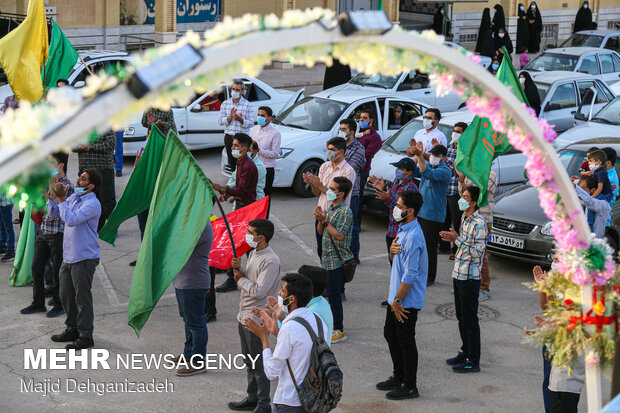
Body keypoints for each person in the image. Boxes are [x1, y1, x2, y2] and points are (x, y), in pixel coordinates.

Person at [244, 273, 328, 413]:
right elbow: (301, 345)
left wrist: (264, 337)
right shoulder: (317, 319)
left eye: (282, 291)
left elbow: (271, 372)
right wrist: (278, 332)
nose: (279, 293)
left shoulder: (289, 329)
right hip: (315, 396)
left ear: (292, 299)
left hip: (291, 401)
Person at [376, 190, 427, 401]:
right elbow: (396, 261)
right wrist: (391, 252)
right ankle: (398, 377)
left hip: (405, 301)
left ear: (410, 210)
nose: (396, 209)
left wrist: (398, 301)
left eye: (399, 205)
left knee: (405, 340)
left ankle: (410, 385)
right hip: (395, 297)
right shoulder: (403, 229)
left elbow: (411, 274)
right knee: (391, 335)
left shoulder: (414, 236)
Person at [228, 219, 280, 413]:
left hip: (257, 317)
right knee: (249, 361)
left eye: (251, 233)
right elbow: (250, 280)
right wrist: (239, 270)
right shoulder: (253, 253)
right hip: (244, 315)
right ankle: (252, 398)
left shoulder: (271, 260)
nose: (247, 236)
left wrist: (239, 280)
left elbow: (260, 291)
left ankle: (264, 403)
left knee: (259, 364)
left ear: (261, 237)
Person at [50, 169, 102, 350]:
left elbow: (71, 220)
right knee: (66, 295)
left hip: (84, 257)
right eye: (80, 177)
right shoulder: (73, 198)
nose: (78, 180)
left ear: (91, 186)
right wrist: (52, 198)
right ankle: (72, 328)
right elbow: (55, 214)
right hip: (70, 256)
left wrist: (61, 199)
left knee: (82, 299)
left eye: (83, 178)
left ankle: (86, 335)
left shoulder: (92, 204)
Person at [440, 185, 488, 373]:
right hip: (458, 273)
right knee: (461, 317)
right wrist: (453, 238)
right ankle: (465, 351)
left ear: (474, 202)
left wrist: (457, 240)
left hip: (470, 277)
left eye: (466, 196)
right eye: (462, 195)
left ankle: (473, 360)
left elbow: (478, 252)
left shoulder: (479, 223)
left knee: (470, 319)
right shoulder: (464, 217)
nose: (462, 198)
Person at [20, 153, 73, 318]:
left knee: (58, 270)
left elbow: (55, 213)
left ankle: (59, 303)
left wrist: (48, 194)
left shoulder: (67, 186)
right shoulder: (47, 183)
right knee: (36, 266)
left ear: (60, 166)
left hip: (58, 233)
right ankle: (38, 302)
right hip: (44, 231)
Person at [212, 133, 259, 293]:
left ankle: (236, 277)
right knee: (240, 244)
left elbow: (243, 190)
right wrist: (227, 193)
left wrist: (223, 189)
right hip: (241, 206)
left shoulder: (248, 166)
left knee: (241, 245)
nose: (232, 148)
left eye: (236, 146)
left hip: (246, 208)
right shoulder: (241, 163)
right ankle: (235, 274)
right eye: (233, 145)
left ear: (245, 149)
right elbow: (237, 187)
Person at [313, 176, 353, 344]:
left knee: (335, 296)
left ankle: (339, 329)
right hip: (327, 258)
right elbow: (321, 232)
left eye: (333, 189)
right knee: (328, 294)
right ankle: (330, 324)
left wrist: (325, 220)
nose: (329, 191)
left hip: (337, 261)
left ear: (341, 194)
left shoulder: (345, 212)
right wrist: (320, 219)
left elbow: (339, 235)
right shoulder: (330, 208)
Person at [407, 142, 451, 286]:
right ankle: (419, 272)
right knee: (419, 245)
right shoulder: (429, 166)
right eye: (431, 154)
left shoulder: (445, 171)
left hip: (433, 215)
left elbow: (426, 172)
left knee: (429, 248)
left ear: (444, 158)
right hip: (422, 212)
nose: (433, 157)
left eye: (436, 155)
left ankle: (429, 277)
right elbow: (414, 171)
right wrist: (416, 155)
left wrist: (420, 156)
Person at [173, 223, 214, 377]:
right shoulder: (192, 222)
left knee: (196, 323)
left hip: (193, 282)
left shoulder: (201, 225)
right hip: (183, 280)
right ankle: (189, 353)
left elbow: (180, 242)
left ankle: (198, 361)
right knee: (188, 319)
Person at [303, 137, 355, 258]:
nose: (329, 152)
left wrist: (319, 186)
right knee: (321, 249)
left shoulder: (348, 171)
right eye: (328, 149)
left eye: (332, 150)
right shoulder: (324, 166)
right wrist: (312, 184)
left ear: (341, 151)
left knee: (336, 251)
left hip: (337, 216)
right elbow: (317, 193)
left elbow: (338, 196)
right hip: (322, 214)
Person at [369, 158, 419, 263]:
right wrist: (382, 190)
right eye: (397, 168)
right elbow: (391, 203)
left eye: (401, 168)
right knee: (393, 262)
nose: (398, 170)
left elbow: (403, 211)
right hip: (391, 230)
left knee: (401, 263)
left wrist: (387, 198)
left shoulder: (411, 189)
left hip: (402, 232)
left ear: (409, 172)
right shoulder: (396, 182)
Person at [459, 170, 497, 302]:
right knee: (464, 250)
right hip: (467, 216)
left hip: (483, 219)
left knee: (481, 254)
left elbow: (478, 192)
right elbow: (463, 194)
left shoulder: (489, 173)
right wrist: (461, 179)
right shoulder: (470, 171)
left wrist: (468, 179)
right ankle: (465, 282)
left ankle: (483, 288)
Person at [76, 129, 116, 231]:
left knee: (107, 200)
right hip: (85, 170)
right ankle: (96, 227)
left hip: (103, 168)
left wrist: (91, 147)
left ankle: (112, 228)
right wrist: (80, 147)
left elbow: (111, 144)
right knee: (88, 201)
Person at [340, 118, 366, 263]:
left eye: (344, 129)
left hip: (352, 192)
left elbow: (350, 168)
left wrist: (338, 155)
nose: (341, 131)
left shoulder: (358, 149)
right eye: (340, 129)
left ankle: (354, 255)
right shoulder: (338, 145)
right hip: (336, 191)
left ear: (351, 132)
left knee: (352, 225)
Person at [219, 80, 254, 172]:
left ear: (242, 91)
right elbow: (220, 121)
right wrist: (230, 117)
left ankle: (242, 183)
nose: (234, 91)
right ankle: (235, 182)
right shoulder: (225, 104)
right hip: (229, 138)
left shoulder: (247, 105)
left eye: (237, 90)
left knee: (243, 163)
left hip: (242, 139)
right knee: (232, 164)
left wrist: (240, 119)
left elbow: (251, 123)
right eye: (233, 89)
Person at [445, 122, 468, 260]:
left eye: (458, 131)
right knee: (445, 220)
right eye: (454, 131)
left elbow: (460, 170)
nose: (455, 134)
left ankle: (456, 248)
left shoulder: (465, 150)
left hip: (458, 191)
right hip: (446, 189)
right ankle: (444, 245)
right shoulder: (450, 145)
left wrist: (445, 164)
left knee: (458, 221)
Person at [251, 106, 281, 208]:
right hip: (254, 167)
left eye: (262, 115)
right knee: (252, 196)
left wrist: (260, 150)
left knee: (265, 198)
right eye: (259, 115)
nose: (260, 117)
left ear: (269, 118)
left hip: (266, 169)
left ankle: (264, 221)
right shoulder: (254, 130)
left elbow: (275, 154)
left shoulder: (275, 133)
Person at [357, 109, 382, 210]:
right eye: (361, 118)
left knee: (357, 198)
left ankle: (356, 224)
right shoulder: (358, 132)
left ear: (371, 120)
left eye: (365, 118)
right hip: (350, 169)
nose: (361, 120)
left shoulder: (375, 137)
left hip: (361, 171)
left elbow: (366, 155)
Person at [602, 147, 619, 227]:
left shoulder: (610, 179)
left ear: (608, 163)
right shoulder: (603, 173)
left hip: (602, 221)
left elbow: (603, 201)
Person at [0, 185, 15, 263]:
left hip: (6, 203)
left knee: (8, 227)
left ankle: (11, 251)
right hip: (2, 203)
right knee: (2, 226)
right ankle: (2, 246)